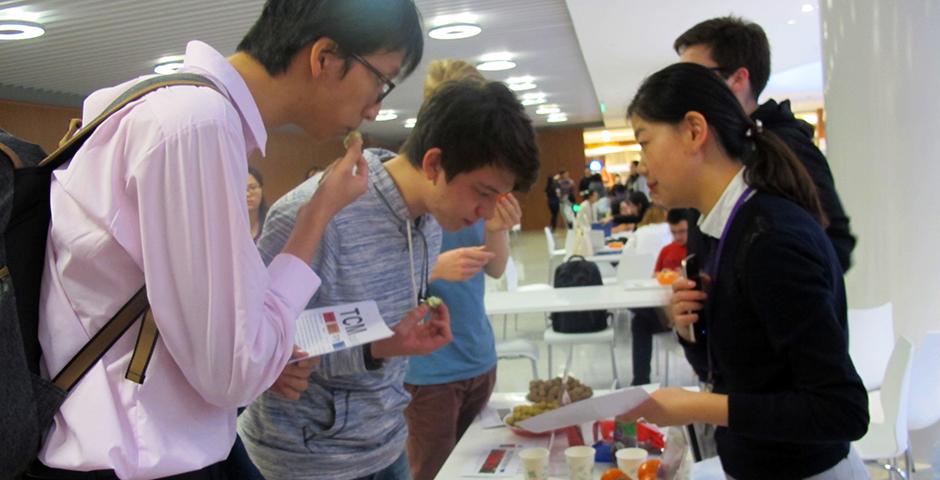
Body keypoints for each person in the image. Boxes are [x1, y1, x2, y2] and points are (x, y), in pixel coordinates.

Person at [32, 0, 425, 477]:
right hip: (134, 458)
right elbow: (235, 373)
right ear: (325, 58)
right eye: (380, 81)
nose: (376, 107)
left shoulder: (169, 105)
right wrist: (316, 217)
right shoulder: (197, 123)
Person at [239, 76, 539, 480]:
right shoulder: (314, 213)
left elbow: (368, 334)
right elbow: (254, 343)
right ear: (434, 163)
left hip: (387, 440)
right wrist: (376, 348)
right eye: (482, 193)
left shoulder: (429, 220)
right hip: (307, 459)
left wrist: (396, 343)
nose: (486, 212)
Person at [619, 63, 868, 479]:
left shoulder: (771, 238)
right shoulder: (714, 227)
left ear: (694, 131)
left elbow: (840, 409)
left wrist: (696, 405)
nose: (641, 165)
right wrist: (690, 328)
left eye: (644, 143)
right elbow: (740, 368)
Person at [402, 59, 524, 480]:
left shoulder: (477, 188)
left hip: (477, 353)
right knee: (431, 469)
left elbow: (496, 268)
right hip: (428, 368)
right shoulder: (414, 193)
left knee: (480, 467)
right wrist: (434, 267)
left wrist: (496, 229)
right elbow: (371, 281)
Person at [674, 15, 856, 273]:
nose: (685, 91)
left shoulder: (787, 145)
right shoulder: (713, 147)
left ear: (738, 79)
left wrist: (761, 287)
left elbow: (835, 242)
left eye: (696, 78)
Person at [629, 208, 688, 386]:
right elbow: (655, 276)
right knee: (639, 322)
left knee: (638, 316)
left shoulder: (699, 250)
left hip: (689, 314)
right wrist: (665, 275)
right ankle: (641, 382)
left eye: (682, 232)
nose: (678, 237)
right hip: (665, 309)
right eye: (674, 232)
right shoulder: (667, 250)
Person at [247, 166, 268, 242]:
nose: (247, 194)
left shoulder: (271, 222)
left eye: (252, 188)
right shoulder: (227, 224)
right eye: (241, 189)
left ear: (261, 189)